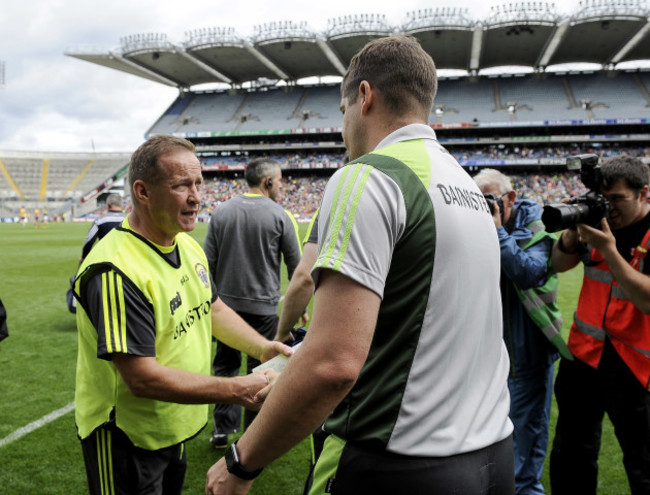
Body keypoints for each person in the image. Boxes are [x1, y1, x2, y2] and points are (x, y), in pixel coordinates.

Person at [206, 35, 514, 495]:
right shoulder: (465, 186)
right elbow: (412, 328)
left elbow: (334, 364)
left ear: (364, 97)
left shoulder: (369, 175)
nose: (342, 124)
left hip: (398, 461)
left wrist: (241, 462)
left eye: (341, 109)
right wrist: (285, 370)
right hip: (490, 453)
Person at [72, 134, 291, 495]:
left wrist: (263, 349)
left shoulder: (186, 245)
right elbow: (142, 379)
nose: (196, 197)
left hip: (173, 426)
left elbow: (213, 310)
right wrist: (237, 389)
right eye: (181, 185)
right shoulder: (115, 269)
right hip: (127, 438)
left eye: (199, 183)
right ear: (142, 192)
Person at [549, 154, 650, 495]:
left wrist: (609, 250)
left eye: (618, 199)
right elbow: (559, 265)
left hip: (635, 368)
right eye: (603, 200)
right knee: (571, 456)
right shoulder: (596, 220)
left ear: (644, 193)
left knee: (643, 462)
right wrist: (571, 236)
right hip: (584, 357)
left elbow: (647, 300)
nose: (610, 209)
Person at [474, 168, 569, 495]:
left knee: (525, 456)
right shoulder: (479, 227)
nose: (483, 207)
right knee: (491, 447)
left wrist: (497, 230)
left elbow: (529, 272)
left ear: (510, 198)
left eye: (489, 199)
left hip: (530, 356)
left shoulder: (537, 222)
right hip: (491, 357)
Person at [203, 157, 302, 448]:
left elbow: (207, 262)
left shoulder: (221, 211)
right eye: (280, 180)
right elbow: (296, 268)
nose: (282, 185)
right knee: (261, 371)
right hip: (264, 308)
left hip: (226, 310)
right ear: (267, 181)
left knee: (225, 368)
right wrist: (301, 308)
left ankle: (222, 431)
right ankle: (251, 438)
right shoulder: (281, 215)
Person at [79, 193, 126, 263]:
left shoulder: (100, 220)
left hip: (106, 259)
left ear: (109, 204)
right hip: (125, 259)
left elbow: (89, 240)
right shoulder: (129, 220)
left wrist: (84, 257)